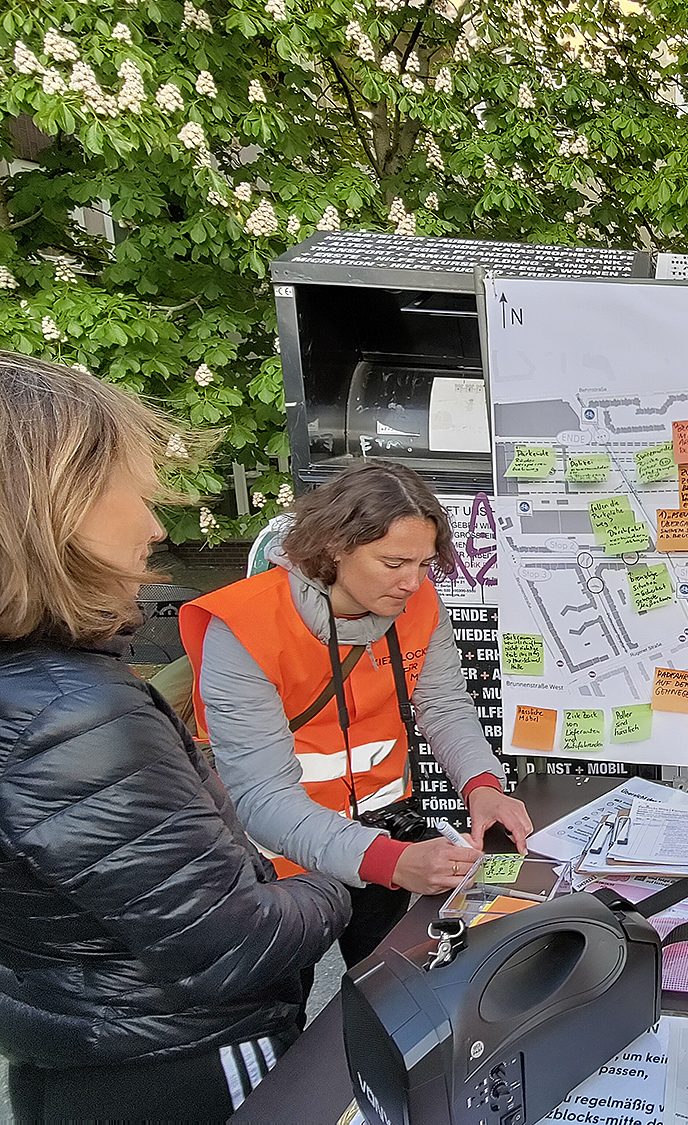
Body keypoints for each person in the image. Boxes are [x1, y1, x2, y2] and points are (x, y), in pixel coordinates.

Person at [0, 353, 350, 1122]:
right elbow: (229, 941)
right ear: (54, 500)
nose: (156, 526)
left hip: (86, 1050)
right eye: (132, 490)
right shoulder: (75, 715)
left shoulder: (39, 688)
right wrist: (347, 876)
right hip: (186, 1058)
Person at [180, 461, 533, 969]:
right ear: (333, 548)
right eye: (394, 563)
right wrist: (394, 861)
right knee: (286, 1012)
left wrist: (483, 786)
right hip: (280, 858)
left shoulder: (418, 602)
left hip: (382, 837)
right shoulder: (244, 628)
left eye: (424, 563)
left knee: (382, 989)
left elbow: (444, 704)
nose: (413, 583)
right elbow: (262, 795)